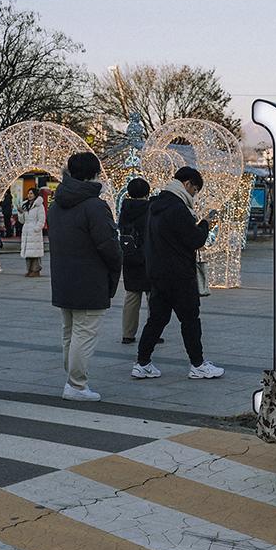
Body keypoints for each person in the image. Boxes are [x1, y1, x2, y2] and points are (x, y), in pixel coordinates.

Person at [132, 167, 225, 380]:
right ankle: (198, 364)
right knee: (190, 319)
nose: (194, 195)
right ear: (188, 184)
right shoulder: (177, 208)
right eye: (195, 190)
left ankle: (142, 362)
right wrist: (206, 223)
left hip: (157, 272)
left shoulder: (154, 205)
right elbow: (195, 240)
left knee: (156, 319)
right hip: (179, 274)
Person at [47, 152, 122, 402]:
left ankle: (72, 380)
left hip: (63, 276)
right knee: (84, 332)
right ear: (94, 174)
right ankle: (76, 385)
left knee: (70, 331)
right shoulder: (95, 206)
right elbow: (108, 245)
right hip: (90, 278)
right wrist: (116, 264)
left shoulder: (57, 204)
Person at [118, 178, 153, 345]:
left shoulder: (124, 208)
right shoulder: (151, 209)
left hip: (130, 256)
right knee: (153, 296)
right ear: (147, 193)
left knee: (132, 296)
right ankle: (154, 330)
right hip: (149, 256)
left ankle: (128, 333)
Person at [17, 187, 46, 277]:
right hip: (26, 231)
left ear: (35, 194)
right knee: (28, 252)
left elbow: (42, 219)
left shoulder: (39, 206)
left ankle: (36, 270)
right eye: (28, 193)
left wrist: (36, 228)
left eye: (31, 193)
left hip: (34, 231)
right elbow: (22, 221)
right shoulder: (25, 205)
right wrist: (21, 213)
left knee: (35, 252)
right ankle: (29, 269)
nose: (29, 195)